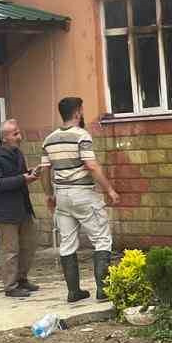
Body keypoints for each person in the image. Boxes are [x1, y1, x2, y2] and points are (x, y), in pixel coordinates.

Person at [39, 96, 120, 303]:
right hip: (83, 194)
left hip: (61, 196)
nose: (82, 113)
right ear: (77, 113)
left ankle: (74, 292)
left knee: (67, 243)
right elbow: (91, 165)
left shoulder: (49, 139)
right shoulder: (82, 135)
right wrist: (109, 189)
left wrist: (49, 195)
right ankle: (103, 290)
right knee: (101, 239)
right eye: (82, 110)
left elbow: (44, 171)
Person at [0, 119, 40, 297]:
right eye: (15, 134)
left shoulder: (17, 153)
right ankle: (10, 286)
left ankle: (22, 278)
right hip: (5, 212)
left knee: (28, 246)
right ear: (4, 138)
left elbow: (18, 176)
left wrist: (30, 174)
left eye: (19, 132)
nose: (19, 137)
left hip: (23, 208)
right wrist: (23, 179)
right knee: (10, 250)